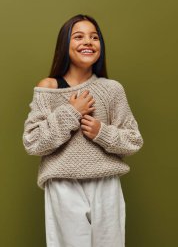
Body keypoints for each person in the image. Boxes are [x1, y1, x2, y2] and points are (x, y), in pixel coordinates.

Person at [22, 13, 144, 247]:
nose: (88, 42)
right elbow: (33, 142)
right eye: (79, 36)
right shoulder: (48, 87)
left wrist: (101, 132)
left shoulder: (112, 89)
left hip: (105, 182)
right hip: (62, 183)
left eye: (94, 37)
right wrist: (71, 112)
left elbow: (133, 140)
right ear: (64, 45)